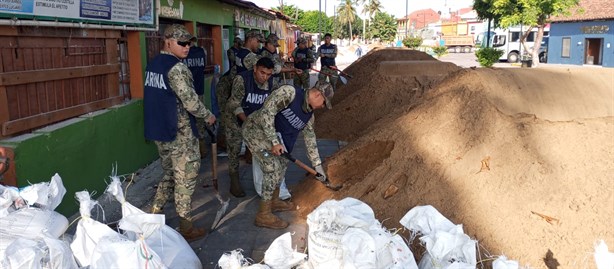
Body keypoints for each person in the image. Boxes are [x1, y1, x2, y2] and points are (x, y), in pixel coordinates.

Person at [143, 24, 216, 241]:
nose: (187, 47)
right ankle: (186, 226)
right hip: (179, 133)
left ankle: (154, 213)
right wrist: (208, 115)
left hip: (159, 130)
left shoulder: (153, 64)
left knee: (170, 174)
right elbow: (191, 102)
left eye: (189, 43)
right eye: (182, 43)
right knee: (186, 178)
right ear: (167, 41)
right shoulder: (177, 68)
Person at [242, 81, 334, 229]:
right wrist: (273, 141)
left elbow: (310, 140)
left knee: (282, 165)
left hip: (276, 139)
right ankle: (263, 215)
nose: (322, 106)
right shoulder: (289, 93)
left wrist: (318, 166)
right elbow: (267, 112)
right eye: (324, 102)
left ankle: (274, 200)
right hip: (255, 131)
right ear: (318, 94)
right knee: (272, 168)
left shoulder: (309, 117)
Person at [217, 29, 265, 197]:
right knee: (235, 145)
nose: (258, 44)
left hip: (242, 102)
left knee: (245, 140)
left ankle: (249, 161)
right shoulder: (248, 56)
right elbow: (266, 65)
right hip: (234, 105)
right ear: (251, 39)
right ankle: (234, 181)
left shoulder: (238, 52)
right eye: (257, 41)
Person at [224, 57, 276, 198]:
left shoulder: (271, 82)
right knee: (234, 149)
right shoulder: (242, 80)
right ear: (255, 69)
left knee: (260, 147)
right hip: (235, 118)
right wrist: (247, 122)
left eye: (268, 74)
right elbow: (234, 104)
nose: (264, 77)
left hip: (255, 118)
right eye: (262, 73)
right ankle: (234, 182)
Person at [182, 44, 208, 158]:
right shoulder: (201, 52)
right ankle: (202, 149)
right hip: (199, 90)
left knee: (188, 119)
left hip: (187, 92)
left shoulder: (182, 55)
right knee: (200, 120)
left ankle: (195, 149)